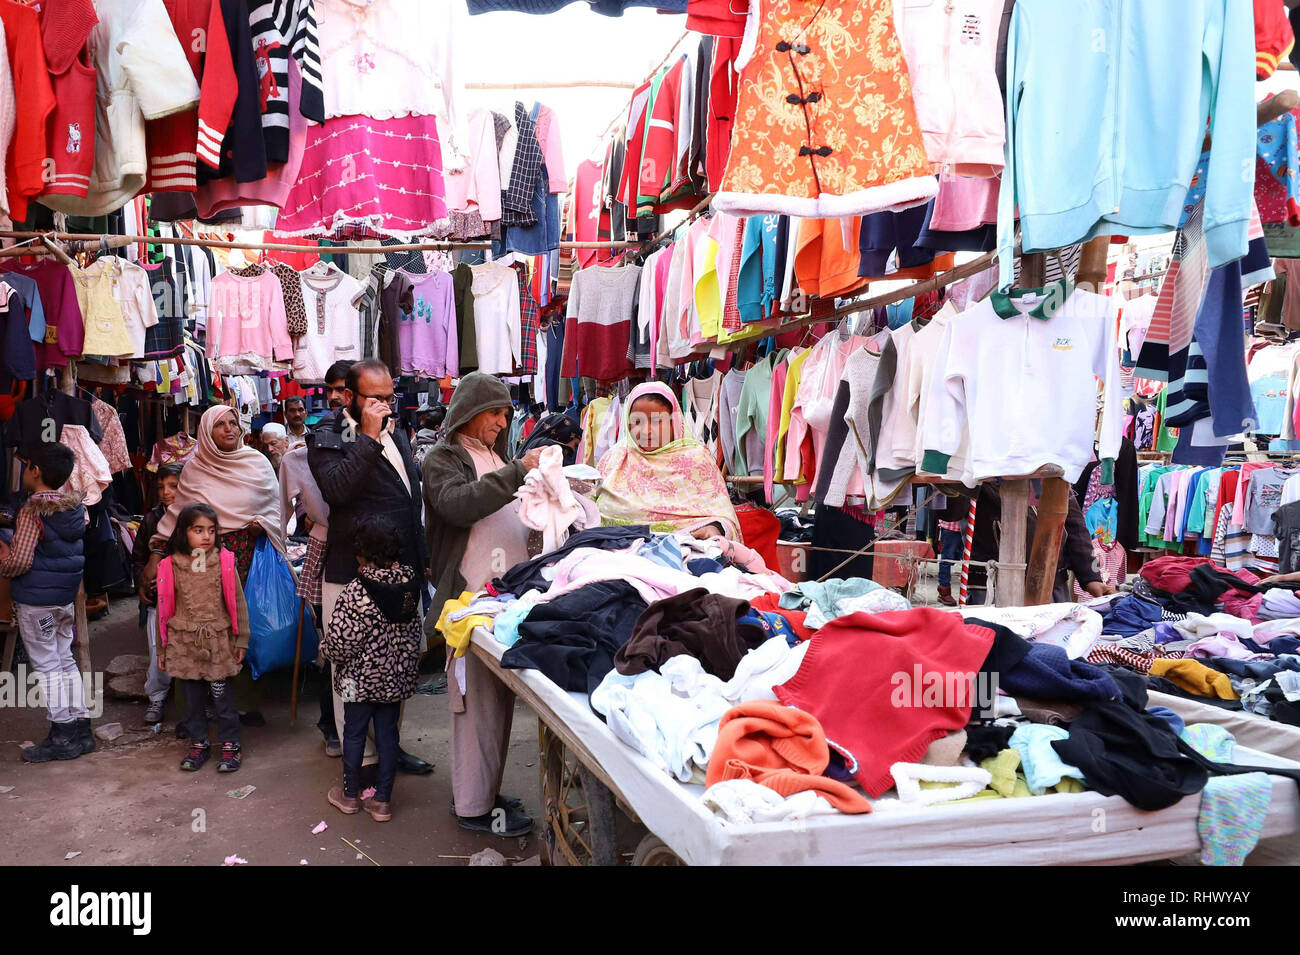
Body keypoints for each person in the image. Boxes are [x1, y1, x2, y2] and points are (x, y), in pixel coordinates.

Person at [423, 373, 543, 837]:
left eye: (504, 414)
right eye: (495, 412)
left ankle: (484, 793)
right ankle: (473, 807)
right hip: (470, 599)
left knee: (496, 704)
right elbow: (457, 505)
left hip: (502, 600)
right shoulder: (442, 459)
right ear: (471, 412)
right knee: (474, 705)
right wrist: (517, 473)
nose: (501, 421)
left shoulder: (495, 455)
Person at [308, 358, 432, 776]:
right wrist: (367, 436)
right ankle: (358, 760)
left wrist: (423, 557)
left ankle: (389, 754)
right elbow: (339, 490)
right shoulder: (330, 433)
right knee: (352, 673)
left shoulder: (395, 431)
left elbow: (408, 498)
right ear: (349, 397)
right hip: (352, 573)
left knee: (394, 665)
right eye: (375, 399)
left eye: (389, 397)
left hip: (399, 572)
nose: (385, 405)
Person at [144, 405, 284, 726]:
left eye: (233, 423)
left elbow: (274, 509)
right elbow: (177, 518)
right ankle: (193, 712)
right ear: (207, 432)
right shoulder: (194, 470)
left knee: (238, 628)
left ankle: (240, 706)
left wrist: (262, 524)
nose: (229, 429)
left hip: (245, 560)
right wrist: (154, 556)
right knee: (195, 627)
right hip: (199, 562)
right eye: (219, 425)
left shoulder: (257, 463)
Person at [323, 514, 422, 822]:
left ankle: (350, 796)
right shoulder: (409, 584)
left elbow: (342, 642)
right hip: (394, 679)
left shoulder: (356, 590)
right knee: (388, 736)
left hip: (357, 681)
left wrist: (325, 651)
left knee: (353, 734)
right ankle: (382, 802)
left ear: (360, 553)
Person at [0, 443, 93, 763]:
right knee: (65, 660)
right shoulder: (75, 509)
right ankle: (82, 728)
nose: (25, 472)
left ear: (35, 471)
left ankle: (62, 734)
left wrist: (3, 560)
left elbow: (21, 561)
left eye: (27, 467)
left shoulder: (31, 510)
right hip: (63, 601)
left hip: (37, 603)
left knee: (47, 666)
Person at [157, 503, 250, 773]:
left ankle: (230, 744)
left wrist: (241, 639)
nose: (206, 536)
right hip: (184, 644)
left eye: (211, 530)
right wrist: (162, 648)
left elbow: (239, 603)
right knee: (193, 699)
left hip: (218, 643)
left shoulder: (224, 562)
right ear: (184, 532)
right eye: (198, 530)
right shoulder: (170, 566)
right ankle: (199, 742)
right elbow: (163, 610)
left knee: (222, 697)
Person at [595, 382, 741, 540]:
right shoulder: (614, 458)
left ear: (674, 422)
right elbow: (591, 504)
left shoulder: (696, 459)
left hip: (684, 554)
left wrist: (714, 529)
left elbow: (724, 516)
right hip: (613, 551)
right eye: (637, 422)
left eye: (657, 421)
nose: (646, 431)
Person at [966, 483, 1116, 605]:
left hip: (1052, 584)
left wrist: (1091, 578)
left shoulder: (1051, 465)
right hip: (991, 587)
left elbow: (1075, 528)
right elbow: (951, 513)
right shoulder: (979, 467)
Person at [132, 462, 184, 725]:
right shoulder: (152, 519)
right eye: (161, 487)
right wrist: (142, 582)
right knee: (158, 647)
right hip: (157, 598)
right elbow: (139, 556)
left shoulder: (193, 517)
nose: (166, 492)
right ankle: (157, 696)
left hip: (187, 596)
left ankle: (196, 699)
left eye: (173, 486)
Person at [934, 513, 966, 607]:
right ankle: (944, 593)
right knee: (946, 560)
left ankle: (971, 590)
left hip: (966, 526)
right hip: (950, 526)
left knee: (969, 559)